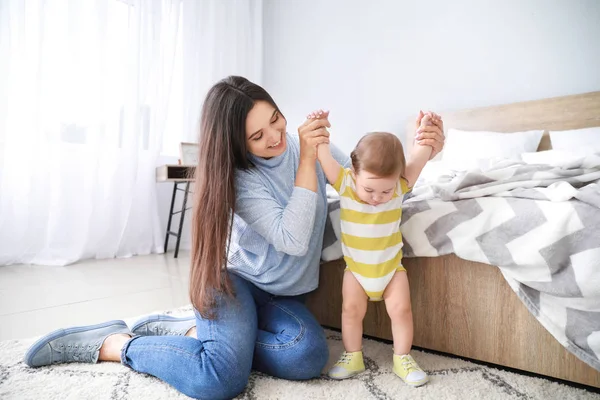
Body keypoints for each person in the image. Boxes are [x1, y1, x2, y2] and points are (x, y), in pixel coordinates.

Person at [23, 76, 445, 400]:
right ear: (236, 145)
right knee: (220, 378)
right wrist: (308, 160)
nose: (276, 138)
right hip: (235, 284)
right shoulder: (242, 180)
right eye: (257, 137)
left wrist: (423, 148)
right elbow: (294, 239)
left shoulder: (311, 148)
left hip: (283, 296)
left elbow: (369, 186)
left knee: (308, 356)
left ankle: (195, 332)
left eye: (276, 120)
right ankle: (116, 344)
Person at [314, 110, 436, 386]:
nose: (378, 198)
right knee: (351, 312)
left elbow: (421, 154)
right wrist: (320, 127)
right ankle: (352, 356)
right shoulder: (345, 183)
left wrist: (425, 129)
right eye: (369, 190)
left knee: (402, 311)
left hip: (391, 269)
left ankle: (402, 358)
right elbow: (324, 157)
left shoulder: (399, 187)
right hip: (356, 270)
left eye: (385, 191)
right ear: (354, 172)